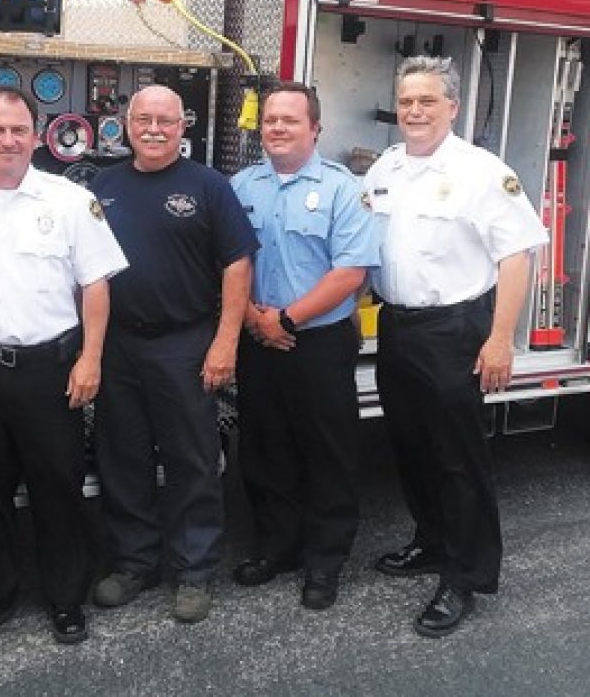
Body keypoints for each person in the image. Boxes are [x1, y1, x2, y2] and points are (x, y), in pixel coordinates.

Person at [0, 86, 127, 648]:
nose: (7, 140)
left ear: (37, 137)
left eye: (18, 130)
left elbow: (96, 283)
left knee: (56, 486)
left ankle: (65, 599)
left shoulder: (68, 200)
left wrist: (91, 357)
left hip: (50, 368)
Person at [364, 55, 548, 637]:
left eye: (427, 101)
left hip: (456, 331)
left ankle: (465, 576)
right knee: (411, 447)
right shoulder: (386, 168)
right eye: (407, 101)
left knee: (457, 458)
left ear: (452, 108)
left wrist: (500, 338)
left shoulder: (482, 172)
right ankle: (431, 542)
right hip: (397, 326)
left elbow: (516, 255)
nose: (414, 111)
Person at [89, 85, 257, 624]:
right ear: (127, 123)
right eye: (143, 119)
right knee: (123, 457)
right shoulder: (103, 185)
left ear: (183, 125)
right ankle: (135, 562)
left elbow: (237, 264)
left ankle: (195, 570)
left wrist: (226, 340)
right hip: (118, 343)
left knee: (191, 460)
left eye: (165, 119)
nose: (154, 128)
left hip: (184, 342)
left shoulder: (209, 186)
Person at [230, 83, 378, 610]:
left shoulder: (344, 189)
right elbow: (229, 266)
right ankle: (278, 548)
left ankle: (325, 560)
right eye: (270, 119)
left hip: (317, 342)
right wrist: (254, 318)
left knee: (327, 452)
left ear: (315, 128)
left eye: (290, 120)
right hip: (258, 335)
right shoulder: (241, 185)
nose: (277, 128)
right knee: (265, 449)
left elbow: (351, 273)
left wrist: (285, 319)